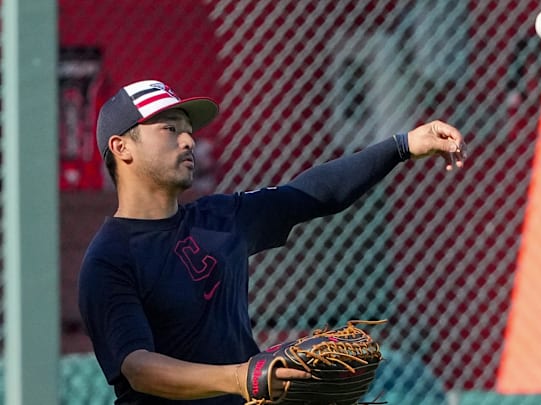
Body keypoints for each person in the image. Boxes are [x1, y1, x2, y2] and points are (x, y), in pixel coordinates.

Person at [78, 79, 466, 404]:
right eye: (169, 129)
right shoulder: (110, 259)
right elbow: (139, 368)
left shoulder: (220, 219)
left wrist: (402, 146)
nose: (188, 141)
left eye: (188, 131)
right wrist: (239, 377)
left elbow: (310, 194)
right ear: (121, 147)